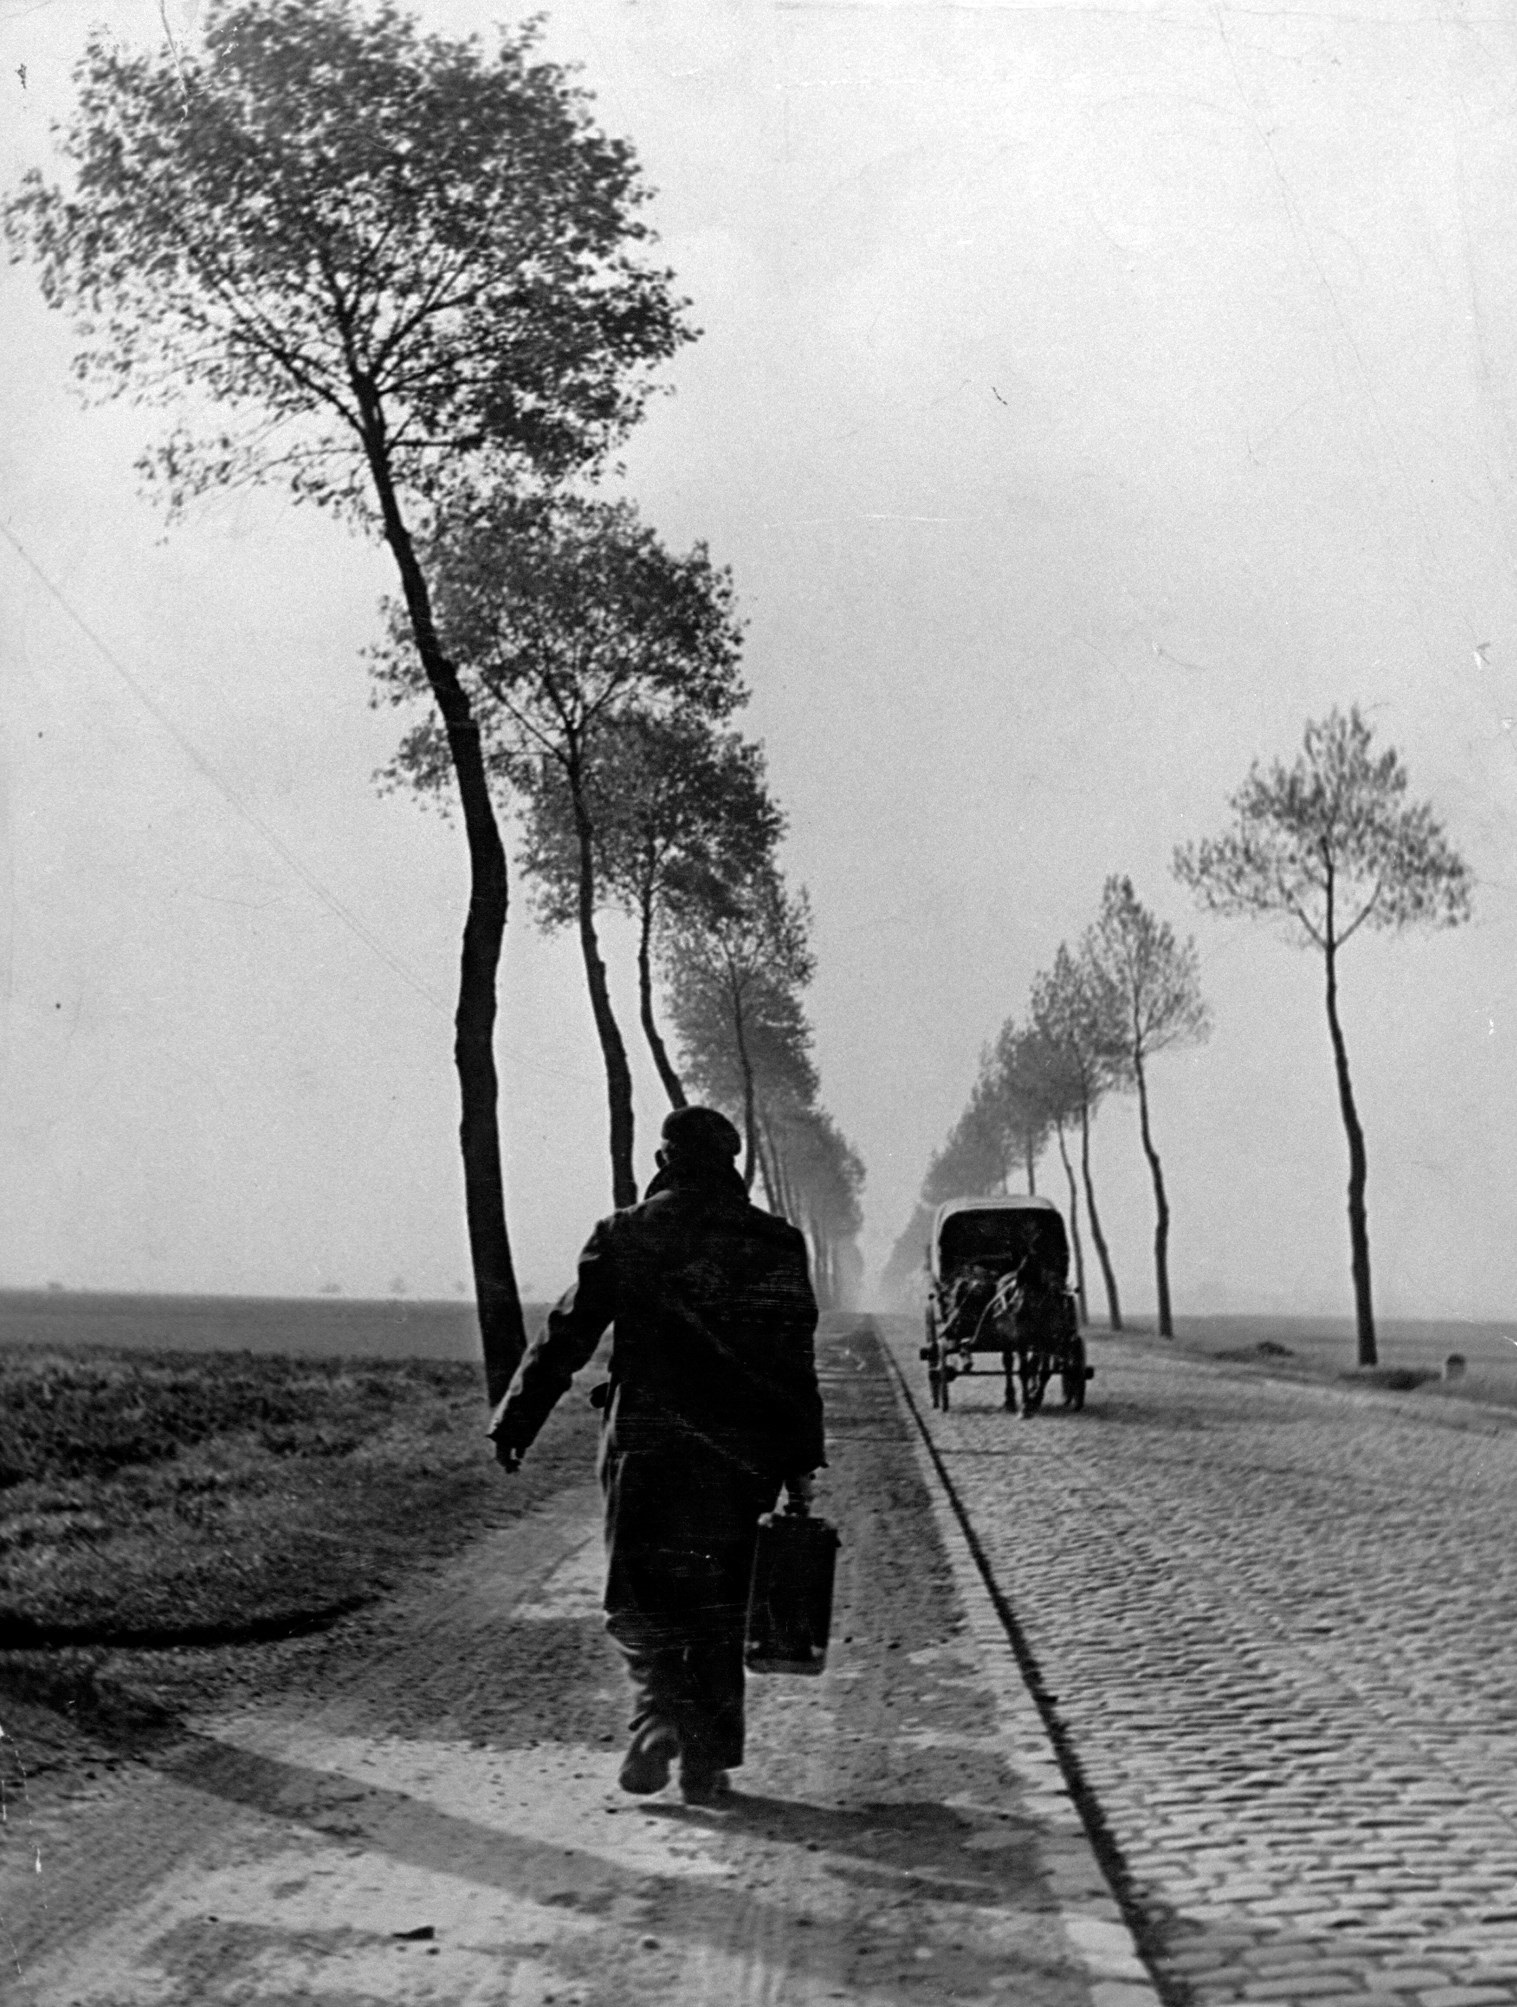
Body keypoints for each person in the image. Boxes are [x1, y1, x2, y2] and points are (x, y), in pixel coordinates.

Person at [488, 1105, 825, 1804]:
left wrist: (517, 1418)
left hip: (647, 1446)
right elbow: (794, 1357)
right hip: (742, 1456)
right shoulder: (778, 1242)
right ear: (733, 1162)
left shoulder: (627, 1233)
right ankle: (706, 1765)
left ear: (664, 1158)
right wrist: (800, 1460)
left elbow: (568, 1335)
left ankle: (656, 1715)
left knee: (637, 1597)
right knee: (722, 1601)